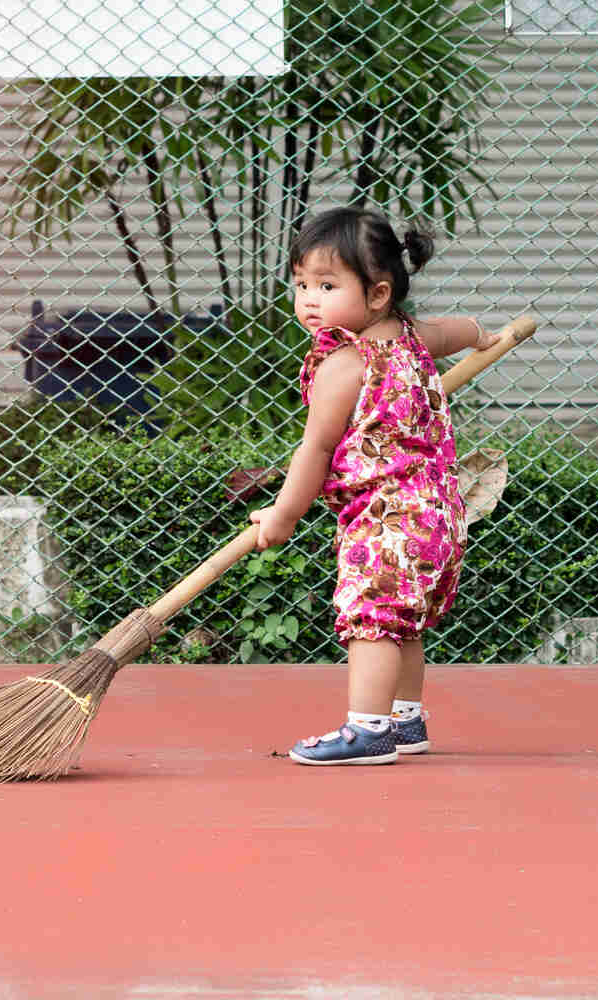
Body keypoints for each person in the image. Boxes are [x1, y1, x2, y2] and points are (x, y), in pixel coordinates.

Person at [248, 205, 499, 765]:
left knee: (372, 622)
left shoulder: (345, 364)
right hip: (438, 512)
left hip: (388, 518)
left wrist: (282, 516)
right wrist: (485, 335)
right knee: (402, 620)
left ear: (378, 295)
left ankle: (367, 730)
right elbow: (452, 332)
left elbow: (314, 450)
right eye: (301, 285)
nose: (309, 300)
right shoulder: (411, 338)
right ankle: (406, 721)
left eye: (327, 285)